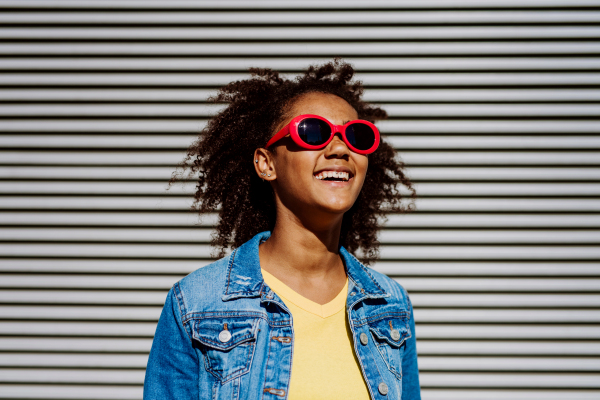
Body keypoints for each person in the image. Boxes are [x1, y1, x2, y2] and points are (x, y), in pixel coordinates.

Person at [144, 60, 420, 400]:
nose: (339, 149)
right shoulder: (196, 303)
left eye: (357, 136)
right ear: (266, 163)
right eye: (313, 132)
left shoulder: (389, 305)